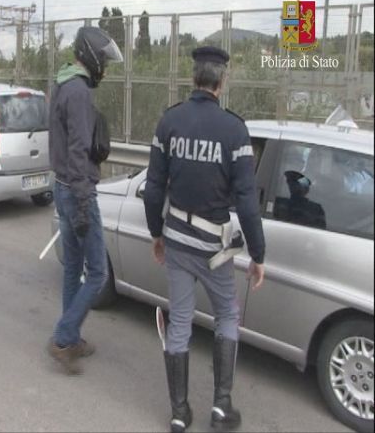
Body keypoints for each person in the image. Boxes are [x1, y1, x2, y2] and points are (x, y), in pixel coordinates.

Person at [143, 46, 266, 432]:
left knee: (180, 320)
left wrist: (156, 233)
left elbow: (153, 189)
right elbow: (247, 202)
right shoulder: (234, 130)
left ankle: (179, 414)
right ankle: (221, 408)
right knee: (227, 315)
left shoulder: (170, 121)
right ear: (222, 81)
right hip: (214, 250)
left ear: (193, 78)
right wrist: (258, 254)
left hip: (177, 242)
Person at [47, 26, 123, 375]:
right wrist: (81, 203)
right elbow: (78, 150)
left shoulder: (63, 82)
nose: (104, 68)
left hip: (62, 186)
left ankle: (71, 338)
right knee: (97, 273)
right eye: (103, 61)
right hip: (77, 191)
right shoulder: (78, 91)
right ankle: (64, 338)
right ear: (92, 57)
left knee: (72, 269)